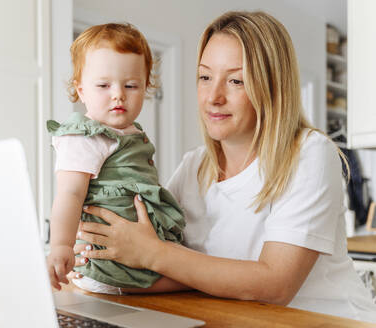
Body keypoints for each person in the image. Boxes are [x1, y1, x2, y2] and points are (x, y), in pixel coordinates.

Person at [70, 11, 376, 322]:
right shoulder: (194, 167)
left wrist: (152, 253)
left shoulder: (309, 153)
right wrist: (94, 270)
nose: (213, 97)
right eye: (205, 77)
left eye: (236, 80)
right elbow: (174, 270)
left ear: (272, 87)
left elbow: (275, 284)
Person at [45, 23, 186, 295]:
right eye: (103, 85)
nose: (118, 93)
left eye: (131, 85)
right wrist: (61, 246)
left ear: (146, 86)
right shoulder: (86, 137)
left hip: (133, 255)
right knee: (196, 284)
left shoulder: (128, 134)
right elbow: (70, 194)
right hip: (111, 264)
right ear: (81, 90)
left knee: (191, 278)